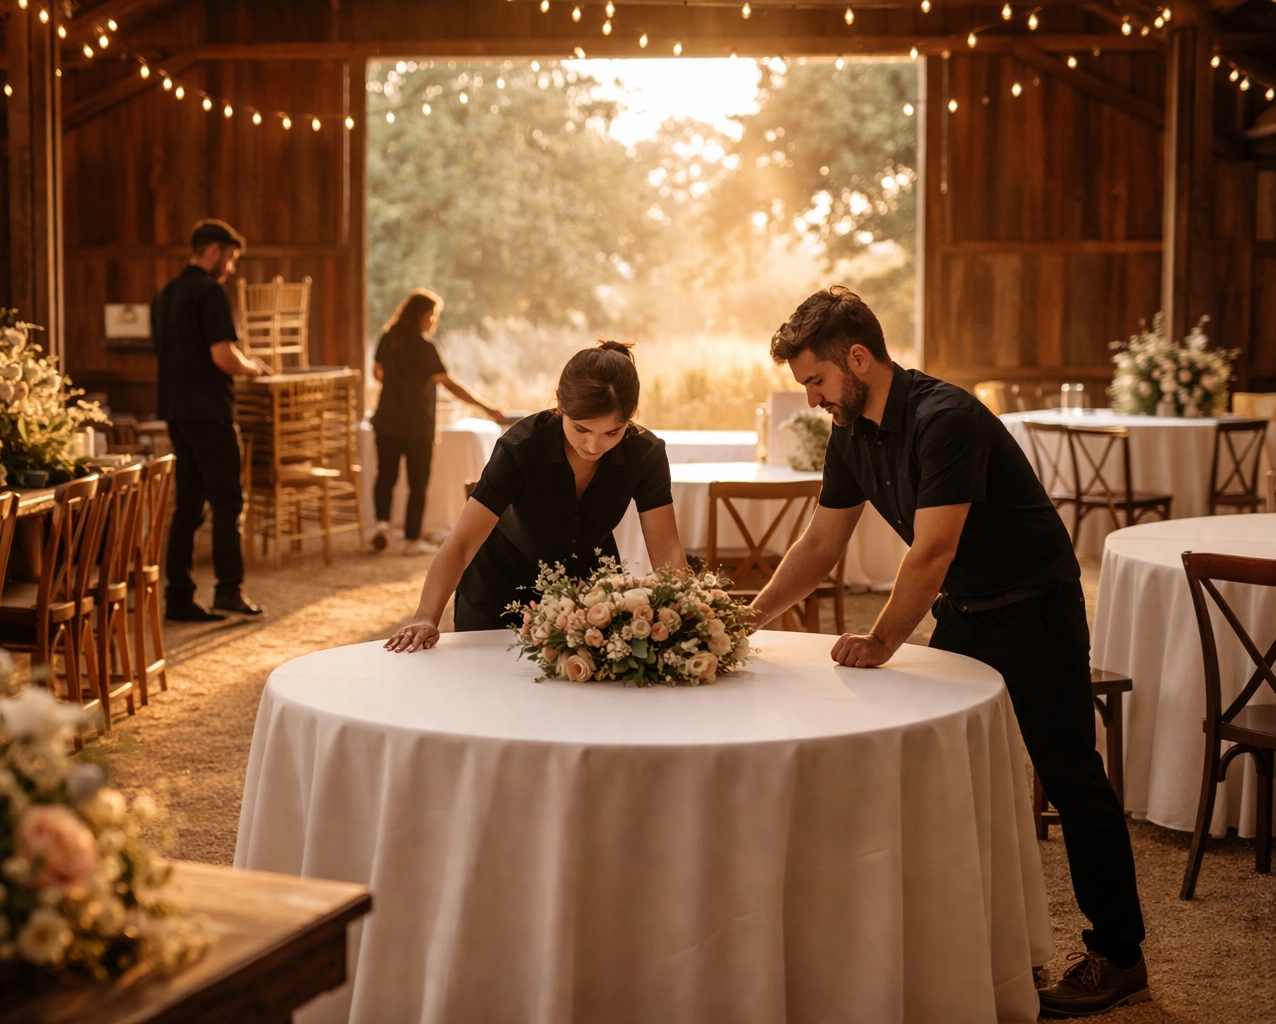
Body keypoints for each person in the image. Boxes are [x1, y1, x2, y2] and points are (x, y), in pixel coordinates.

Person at [748, 287, 1148, 1017]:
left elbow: (932, 550)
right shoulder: (849, 432)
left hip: (1035, 609)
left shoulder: (947, 418)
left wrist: (881, 640)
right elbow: (821, 543)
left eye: (816, 380)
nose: (811, 398)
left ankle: (1120, 957)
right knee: (953, 775)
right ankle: (973, 946)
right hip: (963, 611)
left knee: (1070, 778)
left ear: (858, 359)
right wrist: (747, 618)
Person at [386, 341, 685, 651]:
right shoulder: (521, 447)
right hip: (498, 594)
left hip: (590, 602)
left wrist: (683, 613)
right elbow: (461, 543)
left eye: (612, 432)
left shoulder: (645, 453)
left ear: (631, 417)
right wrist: (426, 616)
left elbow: (666, 546)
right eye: (581, 429)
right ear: (560, 406)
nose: (594, 446)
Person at [152, 218, 271, 622]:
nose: (231, 268)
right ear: (215, 250)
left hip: (175, 411)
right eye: (231, 258)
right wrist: (253, 368)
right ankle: (228, 591)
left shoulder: (166, 293)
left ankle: (178, 597)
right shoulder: (210, 291)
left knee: (188, 504)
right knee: (227, 502)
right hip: (209, 412)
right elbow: (223, 356)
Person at [370, 289, 507, 555]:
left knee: (385, 476)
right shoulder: (426, 348)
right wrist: (487, 407)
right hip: (418, 426)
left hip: (386, 421)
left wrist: (397, 384)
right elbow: (451, 385)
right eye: (433, 316)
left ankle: (381, 526)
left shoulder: (388, 339)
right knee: (417, 483)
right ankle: (412, 541)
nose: (435, 321)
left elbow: (377, 373)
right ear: (420, 316)